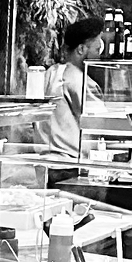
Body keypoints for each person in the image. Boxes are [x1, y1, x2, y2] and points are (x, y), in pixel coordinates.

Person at [44, 14, 106, 156]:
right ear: (81, 49)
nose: (99, 57)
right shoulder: (83, 82)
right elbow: (101, 124)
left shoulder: (51, 73)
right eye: (97, 50)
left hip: (46, 160)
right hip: (71, 162)